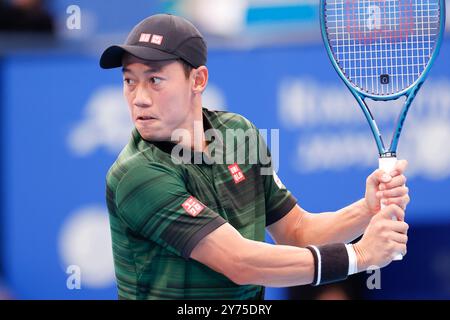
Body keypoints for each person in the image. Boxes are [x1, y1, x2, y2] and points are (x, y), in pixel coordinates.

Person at [100, 14, 410, 300]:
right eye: (129, 81)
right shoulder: (137, 174)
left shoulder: (238, 133)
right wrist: (360, 255)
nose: (138, 98)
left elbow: (296, 232)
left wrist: (366, 210)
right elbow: (239, 262)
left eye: (154, 80)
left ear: (198, 80)